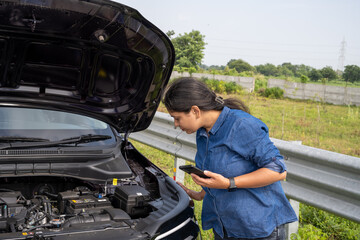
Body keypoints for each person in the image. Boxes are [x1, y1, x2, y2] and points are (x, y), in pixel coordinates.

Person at [162, 77, 298, 240]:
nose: (176, 124)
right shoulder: (203, 131)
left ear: (195, 111)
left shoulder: (242, 125)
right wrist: (198, 194)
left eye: (177, 118)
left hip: (258, 229)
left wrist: (229, 183)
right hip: (224, 227)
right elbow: (220, 169)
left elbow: (278, 171)